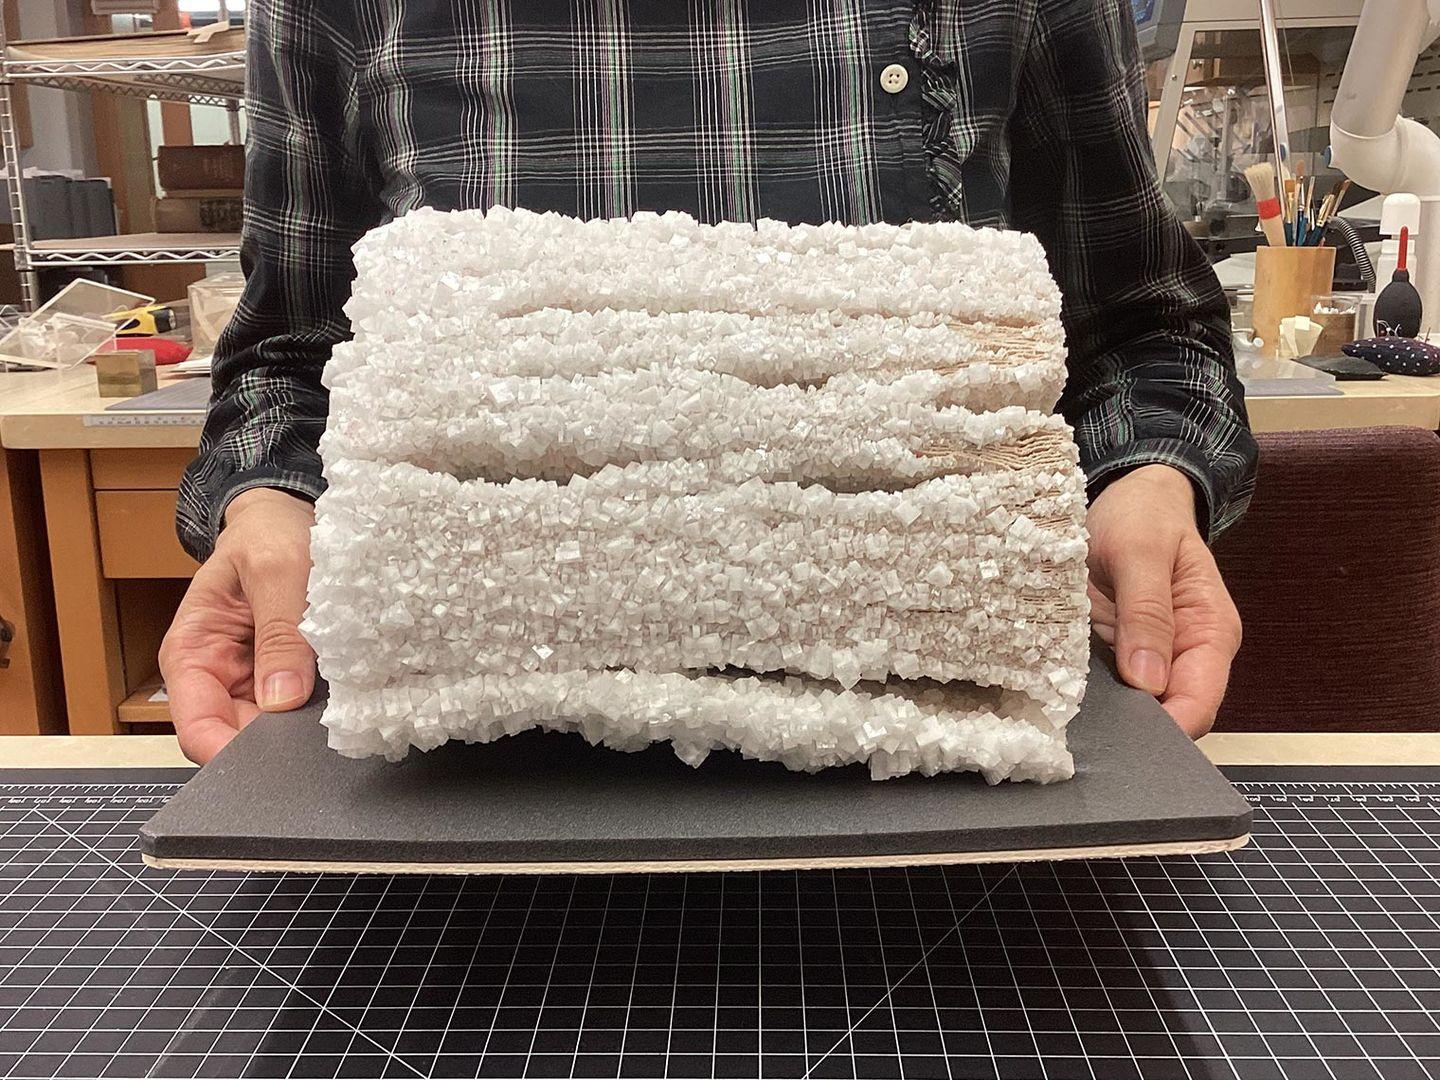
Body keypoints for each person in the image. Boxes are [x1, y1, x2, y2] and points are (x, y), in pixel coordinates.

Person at [162, 0, 1256, 765]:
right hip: (460, 792)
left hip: (938, 786)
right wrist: (272, 506)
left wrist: (1147, 482)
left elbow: (1141, 328)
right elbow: (289, 359)